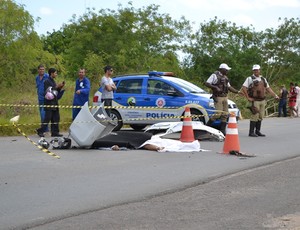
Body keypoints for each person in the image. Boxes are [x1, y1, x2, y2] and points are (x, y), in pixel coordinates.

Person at [241, 64, 279, 137]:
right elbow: (244, 88)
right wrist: (248, 97)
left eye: (257, 70)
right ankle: (251, 132)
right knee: (255, 115)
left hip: (262, 100)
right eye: (254, 70)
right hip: (255, 100)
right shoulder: (250, 78)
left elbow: (268, 88)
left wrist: (275, 95)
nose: (256, 71)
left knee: (261, 116)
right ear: (253, 71)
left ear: (259, 70)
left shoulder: (263, 79)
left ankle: (258, 131)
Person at [205, 63, 239, 135]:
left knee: (225, 114)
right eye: (226, 70)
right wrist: (215, 87)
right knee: (218, 114)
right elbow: (207, 83)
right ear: (221, 69)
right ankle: (206, 128)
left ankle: (222, 131)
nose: (227, 71)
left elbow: (229, 87)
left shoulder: (226, 78)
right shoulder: (214, 75)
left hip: (225, 97)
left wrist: (237, 92)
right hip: (218, 97)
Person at [36, 68, 65, 137]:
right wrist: (56, 87)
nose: (56, 74)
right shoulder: (47, 81)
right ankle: (40, 130)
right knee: (47, 118)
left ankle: (55, 132)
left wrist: (60, 87)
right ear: (51, 73)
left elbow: (55, 91)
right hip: (49, 103)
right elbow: (49, 91)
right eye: (55, 73)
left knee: (56, 118)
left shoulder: (53, 81)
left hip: (54, 102)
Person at [35, 64, 49, 133]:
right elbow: (37, 87)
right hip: (40, 98)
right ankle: (44, 129)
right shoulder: (37, 77)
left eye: (43, 69)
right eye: (40, 69)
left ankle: (44, 130)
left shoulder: (47, 76)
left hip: (46, 98)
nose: (42, 71)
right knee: (41, 114)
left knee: (44, 114)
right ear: (38, 70)